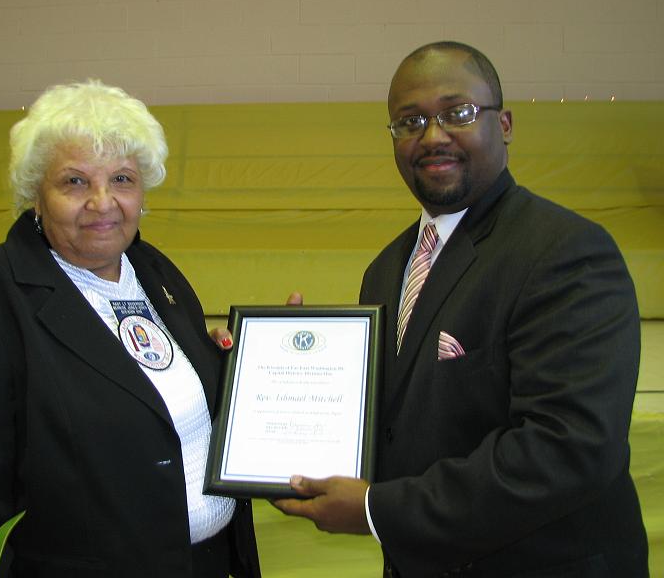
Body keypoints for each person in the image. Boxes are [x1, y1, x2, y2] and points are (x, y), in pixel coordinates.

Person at [273, 42, 649, 577]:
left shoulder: (565, 251)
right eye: (410, 120)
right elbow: (392, 426)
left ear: (507, 124)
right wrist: (288, 372)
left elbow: (569, 449)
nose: (432, 136)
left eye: (458, 113)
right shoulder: (385, 269)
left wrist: (378, 510)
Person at [0, 80, 260, 578]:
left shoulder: (156, 272)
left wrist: (257, 361)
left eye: (121, 179)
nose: (102, 203)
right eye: (74, 182)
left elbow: (165, 404)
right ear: (35, 194)